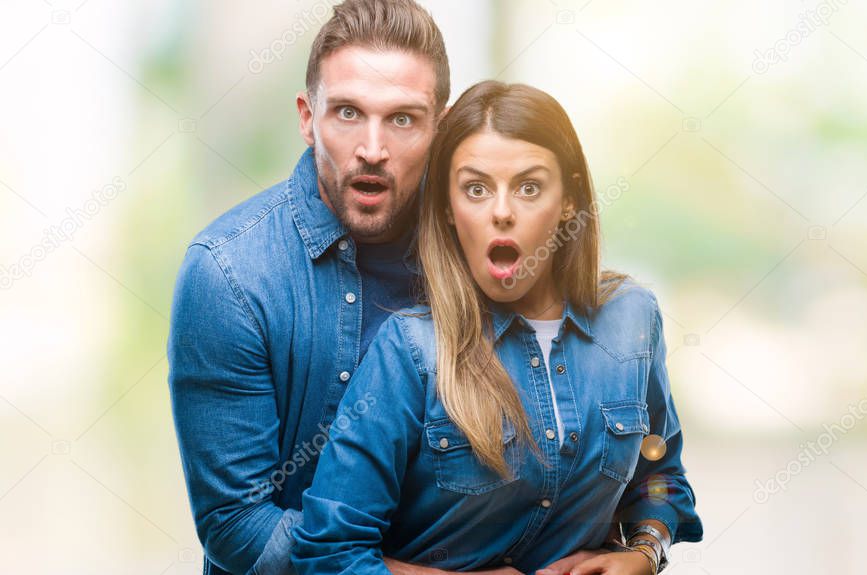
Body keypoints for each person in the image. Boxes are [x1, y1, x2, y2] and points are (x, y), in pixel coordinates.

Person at [169, 2, 584, 573]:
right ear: (307, 118)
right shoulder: (229, 274)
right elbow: (239, 529)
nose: (372, 148)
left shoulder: (490, 250)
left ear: (441, 126)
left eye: (403, 119)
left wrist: (645, 541)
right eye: (346, 112)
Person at [292, 80, 702, 575]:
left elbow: (659, 476)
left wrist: (645, 551)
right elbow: (327, 553)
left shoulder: (633, 319)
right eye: (476, 189)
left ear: (569, 199)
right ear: (447, 207)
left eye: (529, 187)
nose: (502, 212)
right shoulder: (412, 350)